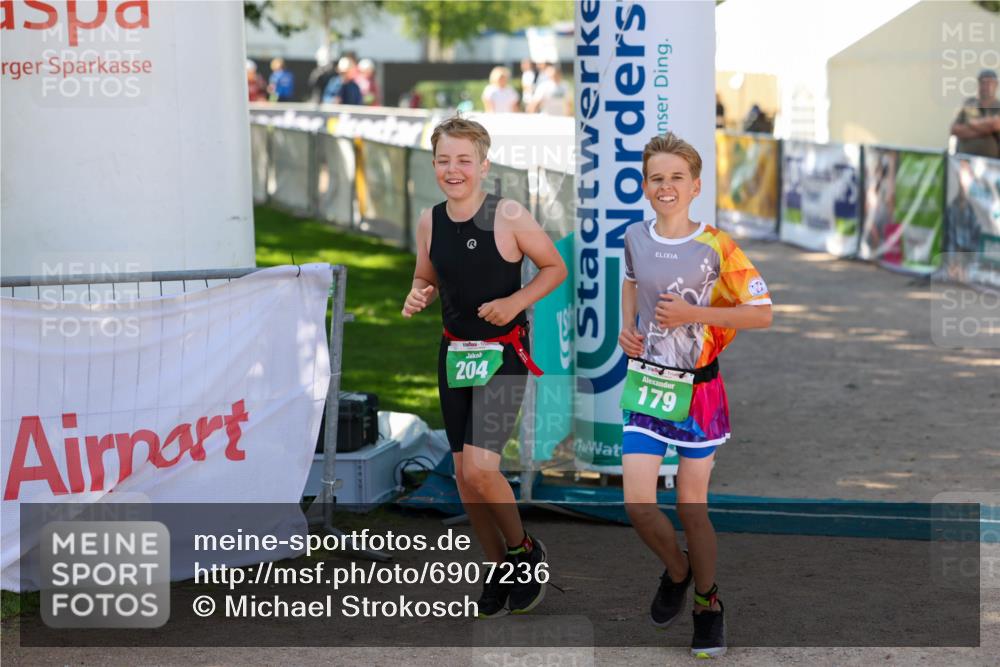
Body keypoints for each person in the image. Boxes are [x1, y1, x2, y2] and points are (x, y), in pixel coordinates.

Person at [401, 116, 567, 618]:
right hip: (454, 355)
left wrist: (516, 302)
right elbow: (426, 277)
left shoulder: (509, 214)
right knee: (463, 475)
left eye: (464, 160)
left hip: (503, 356)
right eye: (444, 161)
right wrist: (418, 294)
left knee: (482, 468)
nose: (454, 170)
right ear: (434, 165)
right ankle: (498, 566)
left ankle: (523, 551)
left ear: (484, 164)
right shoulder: (429, 220)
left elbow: (554, 267)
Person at [617, 133, 773, 658]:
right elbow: (633, 283)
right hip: (648, 384)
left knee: (691, 506)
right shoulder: (634, 236)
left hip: (699, 390)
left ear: (695, 186)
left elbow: (761, 313)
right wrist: (626, 328)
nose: (666, 186)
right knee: (638, 504)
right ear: (645, 186)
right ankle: (679, 572)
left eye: (676, 178)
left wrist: (694, 315)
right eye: (656, 178)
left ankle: (708, 604)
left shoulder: (718, 245)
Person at [950, 69, 1000, 158]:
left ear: (996, 85)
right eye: (983, 83)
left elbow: (996, 124)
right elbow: (954, 129)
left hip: (994, 164)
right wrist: (987, 129)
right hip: (964, 162)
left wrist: (972, 123)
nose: (986, 86)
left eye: (989, 83)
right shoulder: (969, 103)